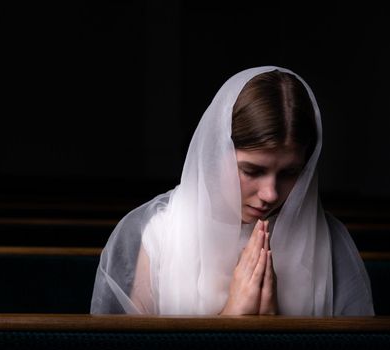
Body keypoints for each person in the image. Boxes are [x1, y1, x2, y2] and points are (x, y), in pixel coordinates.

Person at [90, 66, 374, 316]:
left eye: (289, 173)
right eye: (252, 171)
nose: (271, 194)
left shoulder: (329, 239)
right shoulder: (159, 234)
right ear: (216, 153)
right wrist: (231, 319)